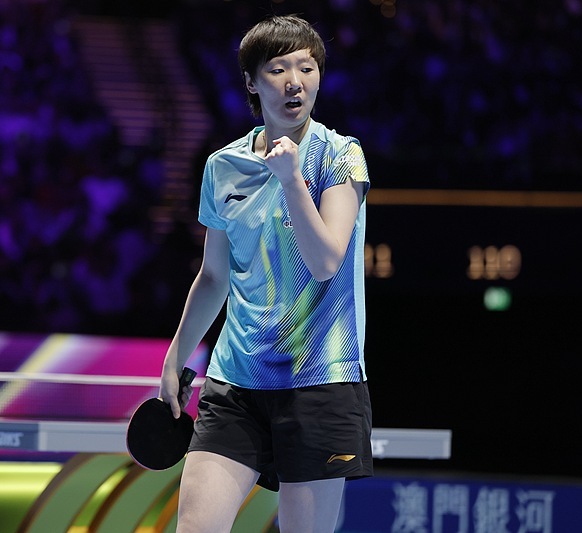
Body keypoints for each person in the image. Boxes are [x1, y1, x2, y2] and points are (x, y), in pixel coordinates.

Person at [159, 15, 373, 533]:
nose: (295, 81)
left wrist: (292, 179)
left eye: (307, 67)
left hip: (320, 380)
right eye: (278, 69)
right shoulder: (222, 167)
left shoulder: (342, 156)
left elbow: (325, 262)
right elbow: (214, 276)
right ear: (252, 82)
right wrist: (175, 358)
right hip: (236, 382)